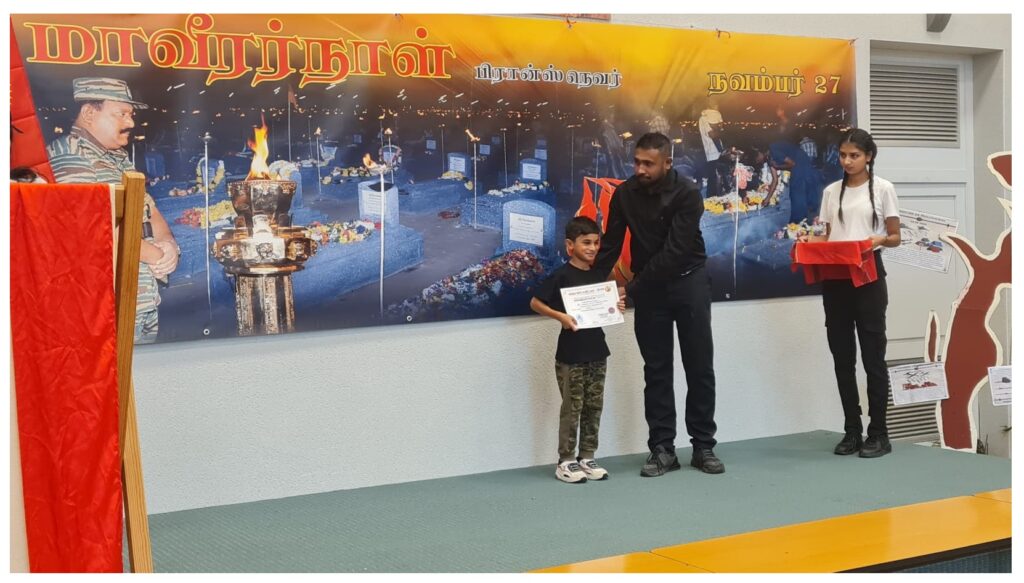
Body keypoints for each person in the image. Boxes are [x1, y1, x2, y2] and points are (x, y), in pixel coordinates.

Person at [593, 132, 724, 477]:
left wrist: (632, 290)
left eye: (648, 164)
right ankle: (663, 449)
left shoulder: (688, 193)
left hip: (689, 281)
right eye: (637, 162)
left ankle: (703, 446)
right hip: (650, 289)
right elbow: (610, 245)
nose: (640, 169)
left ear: (667, 162)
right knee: (656, 370)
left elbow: (674, 252)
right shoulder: (624, 194)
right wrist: (586, 288)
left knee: (699, 367)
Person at [47, 77, 179, 344]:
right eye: (121, 114)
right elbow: (93, 229)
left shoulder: (118, 158)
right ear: (89, 113)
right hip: (101, 309)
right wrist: (157, 255)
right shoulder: (70, 155)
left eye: (131, 115)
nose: (130, 123)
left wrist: (169, 245)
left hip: (139, 302)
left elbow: (149, 210)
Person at [799, 128, 901, 458]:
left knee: (873, 358)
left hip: (869, 275)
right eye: (843, 155)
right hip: (836, 277)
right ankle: (852, 430)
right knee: (842, 357)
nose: (847, 161)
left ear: (868, 156)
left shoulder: (883, 188)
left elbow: (895, 236)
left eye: (854, 155)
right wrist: (808, 241)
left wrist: (877, 240)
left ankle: (879, 433)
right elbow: (824, 234)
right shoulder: (831, 191)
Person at [531, 216, 625, 484]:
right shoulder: (561, 275)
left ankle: (587, 456)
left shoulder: (598, 275)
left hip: (597, 350)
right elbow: (535, 302)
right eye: (586, 243)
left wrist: (616, 306)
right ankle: (566, 460)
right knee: (572, 407)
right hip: (571, 353)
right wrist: (560, 316)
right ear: (570, 245)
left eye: (595, 242)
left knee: (594, 405)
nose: (592, 248)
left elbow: (608, 305)